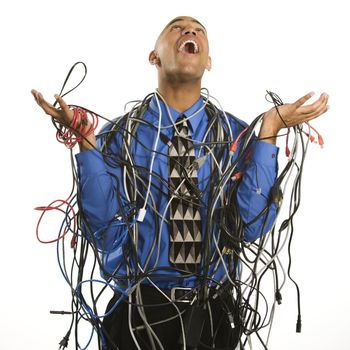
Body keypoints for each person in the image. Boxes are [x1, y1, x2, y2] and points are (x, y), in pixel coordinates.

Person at [32, 16, 329, 350]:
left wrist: (270, 130)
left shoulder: (237, 136)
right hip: (135, 315)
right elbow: (104, 230)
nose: (190, 32)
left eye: (199, 30)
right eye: (177, 28)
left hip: (211, 317)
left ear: (209, 61)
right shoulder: (118, 137)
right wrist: (86, 143)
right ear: (153, 56)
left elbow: (249, 227)